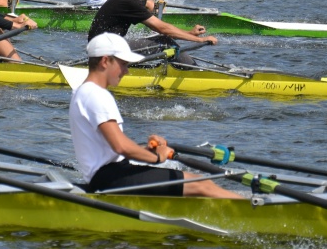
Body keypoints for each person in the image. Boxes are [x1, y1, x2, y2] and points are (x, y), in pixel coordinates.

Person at [68, 32, 243, 198]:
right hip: (110, 177)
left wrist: (147, 150)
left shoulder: (83, 91)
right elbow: (121, 147)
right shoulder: (96, 95)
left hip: (108, 174)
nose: (126, 71)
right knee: (202, 184)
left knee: (198, 182)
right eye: (123, 64)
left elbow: (110, 148)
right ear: (105, 61)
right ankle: (252, 209)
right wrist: (157, 157)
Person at [87, 0, 215, 65]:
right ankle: (194, 73)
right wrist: (200, 39)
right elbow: (162, 28)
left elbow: (162, 28)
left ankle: (176, 69)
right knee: (165, 42)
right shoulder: (127, 0)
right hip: (104, 52)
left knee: (162, 40)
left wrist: (189, 33)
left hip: (100, 49)